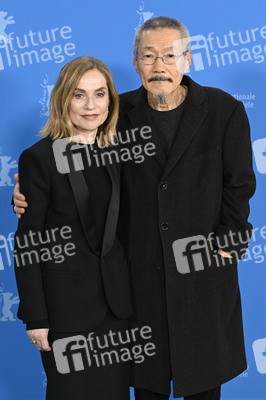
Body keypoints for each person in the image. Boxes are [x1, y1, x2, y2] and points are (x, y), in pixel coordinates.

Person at [13, 17, 256, 400]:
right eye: (149, 56)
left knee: (204, 386)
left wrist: (227, 245)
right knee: (147, 388)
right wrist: (25, 194)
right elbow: (80, 168)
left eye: (170, 55)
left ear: (188, 59)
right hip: (136, 286)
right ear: (136, 61)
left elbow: (240, 184)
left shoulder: (224, 110)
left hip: (202, 282)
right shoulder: (115, 112)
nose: (160, 65)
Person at [12, 56, 132, 400]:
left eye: (99, 94)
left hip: (115, 309)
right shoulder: (39, 158)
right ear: (63, 99)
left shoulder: (118, 152)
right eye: (79, 95)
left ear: (111, 100)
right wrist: (35, 317)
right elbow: (30, 242)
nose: (91, 105)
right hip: (64, 312)